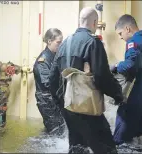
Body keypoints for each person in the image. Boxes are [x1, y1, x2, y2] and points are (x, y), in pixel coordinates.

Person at [49, 7, 124, 154]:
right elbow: (102, 77)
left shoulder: (65, 43)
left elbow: (53, 78)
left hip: (69, 107)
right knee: (107, 148)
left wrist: (62, 103)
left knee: (77, 148)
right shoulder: (93, 43)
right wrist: (118, 94)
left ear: (79, 21)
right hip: (87, 109)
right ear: (95, 22)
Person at [111, 14, 142, 145]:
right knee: (138, 139)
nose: (121, 37)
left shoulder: (133, 42)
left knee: (121, 141)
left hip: (134, 98)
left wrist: (115, 66)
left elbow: (130, 65)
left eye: (120, 33)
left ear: (127, 28)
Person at [33, 28, 65, 135]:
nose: (60, 45)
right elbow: (47, 83)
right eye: (58, 42)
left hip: (55, 99)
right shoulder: (42, 61)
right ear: (49, 41)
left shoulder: (55, 57)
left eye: (61, 42)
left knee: (60, 129)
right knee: (54, 131)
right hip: (47, 102)